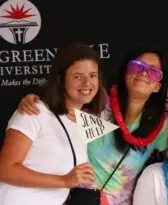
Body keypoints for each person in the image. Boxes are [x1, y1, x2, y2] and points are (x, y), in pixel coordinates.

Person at [16, 45, 168, 205]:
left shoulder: (161, 127)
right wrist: (33, 99)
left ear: (158, 86)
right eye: (137, 66)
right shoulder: (95, 101)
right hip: (79, 197)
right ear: (125, 73)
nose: (143, 73)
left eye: (152, 71)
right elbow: (59, 102)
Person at [0, 42, 107, 205]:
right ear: (61, 78)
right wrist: (64, 181)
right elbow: (5, 169)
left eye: (92, 75)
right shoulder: (34, 111)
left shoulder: (80, 122)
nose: (87, 83)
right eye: (77, 76)